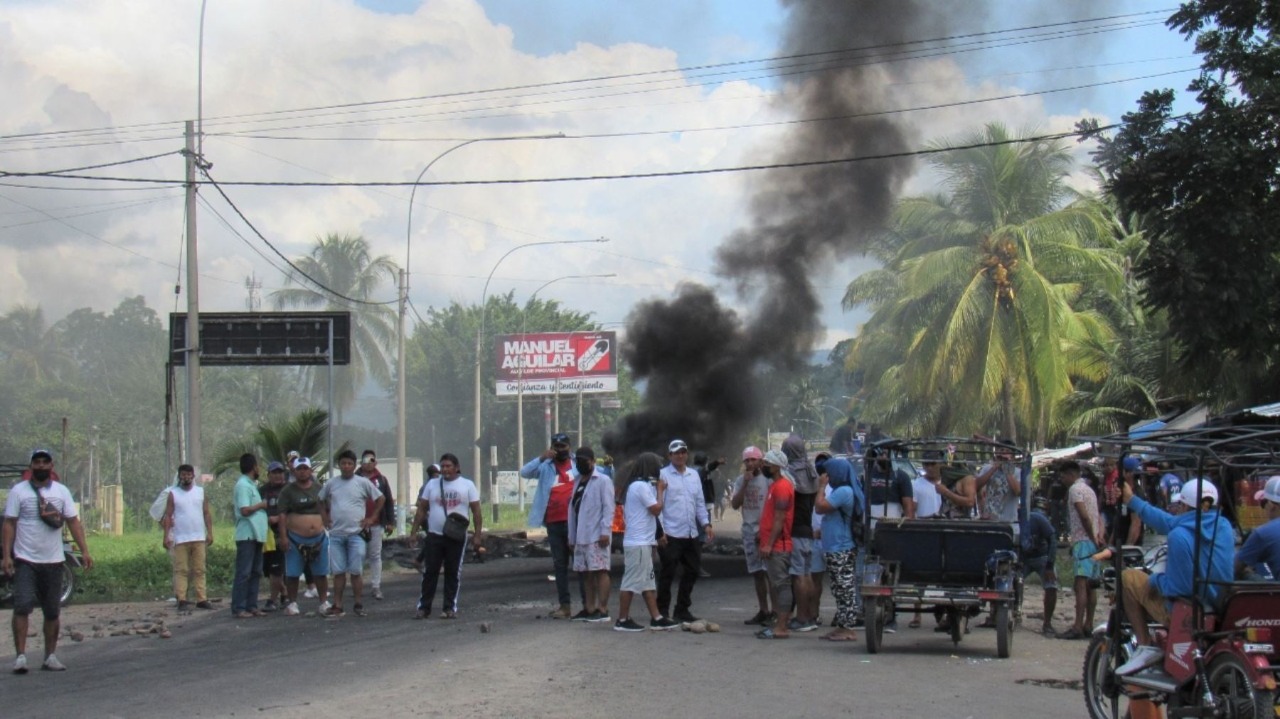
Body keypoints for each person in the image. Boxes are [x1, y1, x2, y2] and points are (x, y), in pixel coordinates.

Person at [1115, 477, 1235, 674]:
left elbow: (1179, 588)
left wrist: (1155, 580)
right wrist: (1132, 500)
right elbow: (1167, 522)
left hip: (1187, 611)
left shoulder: (1178, 536)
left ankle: (1144, 646)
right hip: (1218, 606)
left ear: (1184, 506)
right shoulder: (1224, 528)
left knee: (1129, 577)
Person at [3, 449, 93, 674]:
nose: (41, 466)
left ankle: (50, 656)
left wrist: (85, 551)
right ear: (31, 466)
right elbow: (10, 524)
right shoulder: (18, 491)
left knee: (52, 611)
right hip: (25, 560)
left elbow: (73, 521)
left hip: (53, 561)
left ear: (51, 466)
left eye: (45, 462)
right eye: (37, 462)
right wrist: (6, 556)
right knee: (22, 606)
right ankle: (21, 656)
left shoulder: (61, 492)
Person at [614, 453, 680, 631]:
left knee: (648, 582)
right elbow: (656, 509)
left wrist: (658, 535)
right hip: (638, 542)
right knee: (631, 581)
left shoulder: (638, 486)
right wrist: (660, 490)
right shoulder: (640, 486)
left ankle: (657, 617)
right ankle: (622, 619)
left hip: (643, 541)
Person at [413, 453, 483, 619]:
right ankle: (424, 607)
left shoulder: (467, 485)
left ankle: (449, 607)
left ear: (456, 467)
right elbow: (422, 509)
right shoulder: (432, 484)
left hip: (456, 536)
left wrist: (478, 535)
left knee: (452, 572)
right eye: (443, 466)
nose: (445, 470)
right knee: (430, 571)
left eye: (448, 466)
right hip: (434, 535)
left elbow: (477, 512)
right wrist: (413, 531)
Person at [521, 432, 580, 619]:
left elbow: (600, 473)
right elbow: (524, 472)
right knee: (560, 565)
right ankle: (565, 606)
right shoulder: (545, 466)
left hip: (575, 523)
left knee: (580, 564)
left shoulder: (578, 463)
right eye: (556, 446)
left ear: (569, 447)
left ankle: (589, 605)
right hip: (553, 523)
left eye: (563, 446)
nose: (560, 450)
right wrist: (541, 457)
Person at [320, 450, 384, 618]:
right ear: (339, 465)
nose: (346, 466)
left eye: (349, 463)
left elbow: (381, 499)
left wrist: (372, 518)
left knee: (356, 571)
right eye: (343, 463)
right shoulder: (331, 484)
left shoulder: (363, 483)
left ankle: (358, 603)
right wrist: (325, 517)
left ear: (354, 465)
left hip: (356, 533)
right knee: (338, 572)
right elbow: (320, 499)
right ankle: (338, 604)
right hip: (336, 534)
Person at [657, 439, 714, 624]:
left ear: (687, 454)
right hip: (671, 533)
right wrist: (660, 532)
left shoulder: (693, 475)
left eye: (683, 452)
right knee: (668, 573)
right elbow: (659, 506)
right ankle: (662, 611)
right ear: (670, 455)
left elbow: (699, 503)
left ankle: (682, 609)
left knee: (692, 571)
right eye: (676, 453)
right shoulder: (663, 475)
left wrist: (706, 524)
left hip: (691, 533)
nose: (680, 455)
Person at [815, 457, 863, 642]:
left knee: (844, 588)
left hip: (840, 547)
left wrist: (820, 487)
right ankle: (842, 625)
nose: (825, 476)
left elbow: (820, 507)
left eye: (828, 472)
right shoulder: (842, 490)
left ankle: (848, 628)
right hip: (836, 545)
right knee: (839, 588)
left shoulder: (844, 491)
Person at [277, 457, 331, 616]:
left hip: (318, 538)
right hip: (295, 538)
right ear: (294, 471)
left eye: (305, 469)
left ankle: (323, 602)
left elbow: (327, 508)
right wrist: (283, 537)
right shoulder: (287, 491)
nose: (302, 472)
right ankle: (292, 602)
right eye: (299, 469)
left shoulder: (319, 488)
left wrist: (328, 523)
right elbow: (281, 515)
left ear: (310, 470)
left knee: (321, 573)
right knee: (293, 573)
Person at [1058, 460, 1104, 641]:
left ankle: (1078, 625)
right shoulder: (1090, 490)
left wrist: (1092, 536)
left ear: (1071, 474)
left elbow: (1084, 516)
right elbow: (1097, 515)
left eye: (1062, 476)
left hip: (1083, 540)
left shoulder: (1075, 490)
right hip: (1093, 540)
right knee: (1092, 585)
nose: (1061, 480)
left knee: (1081, 584)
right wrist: (1099, 536)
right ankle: (1088, 624)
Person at [567, 446, 614, 623]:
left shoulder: (603, 480)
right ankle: (589, 608)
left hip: (597, 534)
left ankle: (603, 609)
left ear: (593, 461)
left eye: (584, 461)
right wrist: (571, 537)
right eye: (578, 461)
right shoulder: (577, 481)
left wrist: (605, 531)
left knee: (601, 571)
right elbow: (572, 510)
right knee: (586, 572)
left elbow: (608, 508)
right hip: (581, 535)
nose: (580, 464)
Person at [161, 463, 213, 612]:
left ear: (193, 476)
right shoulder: (174, 493)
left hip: (198, 537)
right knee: (181, 570)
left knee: (199, 569)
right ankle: (182, 599)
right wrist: (166, 536)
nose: (186, 477)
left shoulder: (200, 492)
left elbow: (206, 513)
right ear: (179, 477)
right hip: (181, 538)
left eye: (188, 474)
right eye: (183, 475)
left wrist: (210, 532)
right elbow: (169, 516)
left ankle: (201, 598)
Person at [782, 434, 821, 632]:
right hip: (808, 530)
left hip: (795, 531)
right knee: (807, 575)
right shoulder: (811, 471)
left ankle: (802, 617)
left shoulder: (789, 475)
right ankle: (812, 615)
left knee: (798, 576)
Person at [731, 446, 773, 626]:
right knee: (757, 573)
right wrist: (745, 484)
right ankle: (763, 610)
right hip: (749, 530)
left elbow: (773, 509)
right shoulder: (741, 480)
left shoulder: (769, 481)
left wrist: (765, 531)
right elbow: (734, 504)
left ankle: (776, 611)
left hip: (765, 532)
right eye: (747, 460)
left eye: (753, 460)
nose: (749, 463)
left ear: (760, 461)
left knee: (770, 573)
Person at [756, 449, 795, 639]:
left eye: (767, 464)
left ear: (777, 467)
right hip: (776, 545)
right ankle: (780, 624)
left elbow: (780, 519)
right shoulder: (776, 485)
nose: (764, 466)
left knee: (781, 585)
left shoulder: (781, 487)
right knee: (778, 584)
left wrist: (769, 544)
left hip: (779, 547)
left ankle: (782, 626)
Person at [232, 453, 269, 619]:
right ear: (253, 466)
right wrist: (261, 505)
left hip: (256, 535)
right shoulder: (243, 486)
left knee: (255, 572)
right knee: (244, 572)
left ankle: (252, 605)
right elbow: (244, 510)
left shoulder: (252, 485)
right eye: (257, 465)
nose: (258, 468)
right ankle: (239, 607)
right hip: (247, 534)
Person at [356, 449, 395, 601]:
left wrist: (390, 522)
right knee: (358, 555)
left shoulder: (382, 480)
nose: (368, 464)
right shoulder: (354, 478)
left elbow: (389, 501)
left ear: (376, 462)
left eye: (371, 460)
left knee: (375, 555)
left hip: (376, 523)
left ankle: (375, 585)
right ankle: (357, 584)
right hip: (357, 523)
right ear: (361, 463)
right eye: (365, 460)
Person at [1023, 497, 1059, 636]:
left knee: (1051, 586)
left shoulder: (1039, 520)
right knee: (1008, 582)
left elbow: (1053, 540)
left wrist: (1050, 565)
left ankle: (1047, 623)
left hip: (1042, 557)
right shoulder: (1024, 517)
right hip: (1024, 558)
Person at [259, 461, 289, 612]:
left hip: (284, 534)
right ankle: (284, 593)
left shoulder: (289, 490)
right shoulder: (262, 491)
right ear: (268, 475)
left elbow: (295, 510)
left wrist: (279, 518)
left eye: (280, 472)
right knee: (269, 570)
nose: (277, 476)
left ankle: (272, 599)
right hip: (266, 535)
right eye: (274, 473)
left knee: (279, 569)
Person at [1236, 476, 1280, 579]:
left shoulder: (1263, 533)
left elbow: (1234, 568)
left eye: (1263, 503)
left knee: (1244, 573)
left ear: (1271, 505)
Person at [976, 440, 1021, 523]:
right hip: (989, 522)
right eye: (1001, 450)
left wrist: (1006, 468)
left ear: (1012, 456)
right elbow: (976, 486)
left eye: (1007, 451)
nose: (1003, 454)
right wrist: (994, 468)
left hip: (1009, 523)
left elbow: (1018, 491)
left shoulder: (1018, 472)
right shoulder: (987, 468)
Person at [1108, 456, 1145, 547]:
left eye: (1120, 471)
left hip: (1129, 548)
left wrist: (1127, 549)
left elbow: (1136, 524)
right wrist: (1110, 543)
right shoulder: (1121, 492)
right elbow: (1118, 519)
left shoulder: (1136, 494)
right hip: (1119, 544)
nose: (1117, 474)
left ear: (1129, 473)